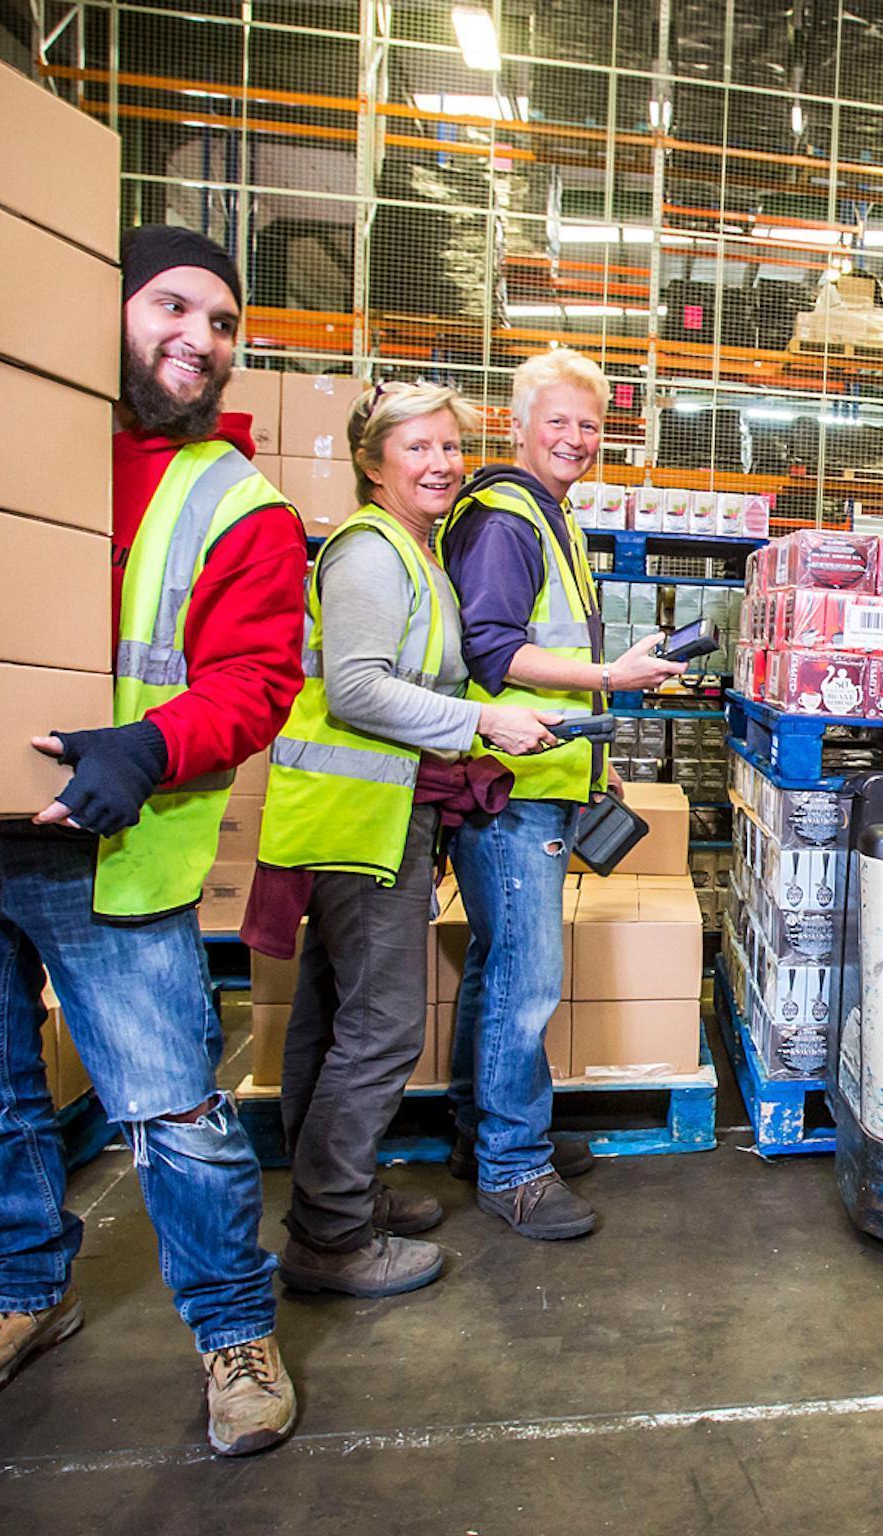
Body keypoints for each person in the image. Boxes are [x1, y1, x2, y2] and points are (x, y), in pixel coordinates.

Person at [0, 226, 309, 1455]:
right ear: (107, 310)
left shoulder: (236, 503)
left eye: (222, 322)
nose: (201, 339)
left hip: (102, 846)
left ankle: (232, 1329)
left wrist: (147, 748)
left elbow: (257, 679)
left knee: (175, 1113)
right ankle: (20, 1296)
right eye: (172, 305)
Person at [248, 382, 572, 1297]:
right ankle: (331, 1235)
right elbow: (356, 690)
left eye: (448, 448)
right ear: (371, 461)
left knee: (333, 1018)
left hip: (371, 814)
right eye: (418, 449)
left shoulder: (415, 550)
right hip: (360, 821)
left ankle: (333, 1195)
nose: (440, 465)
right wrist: (483, 722)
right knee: (383, 1029)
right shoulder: (369, 552)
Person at [437, 348, 684, 1238]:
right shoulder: (507, 519)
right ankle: (513, 1166)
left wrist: (592, 756)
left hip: (540, 770)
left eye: (590, 425)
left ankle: (480, 1134)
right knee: (526, 979)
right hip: (510, 786)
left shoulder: (548, 516)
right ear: (518, 424)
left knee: (497, 967)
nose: (578, 439)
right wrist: (610, 676)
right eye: (561, 423)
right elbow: (493, 651)